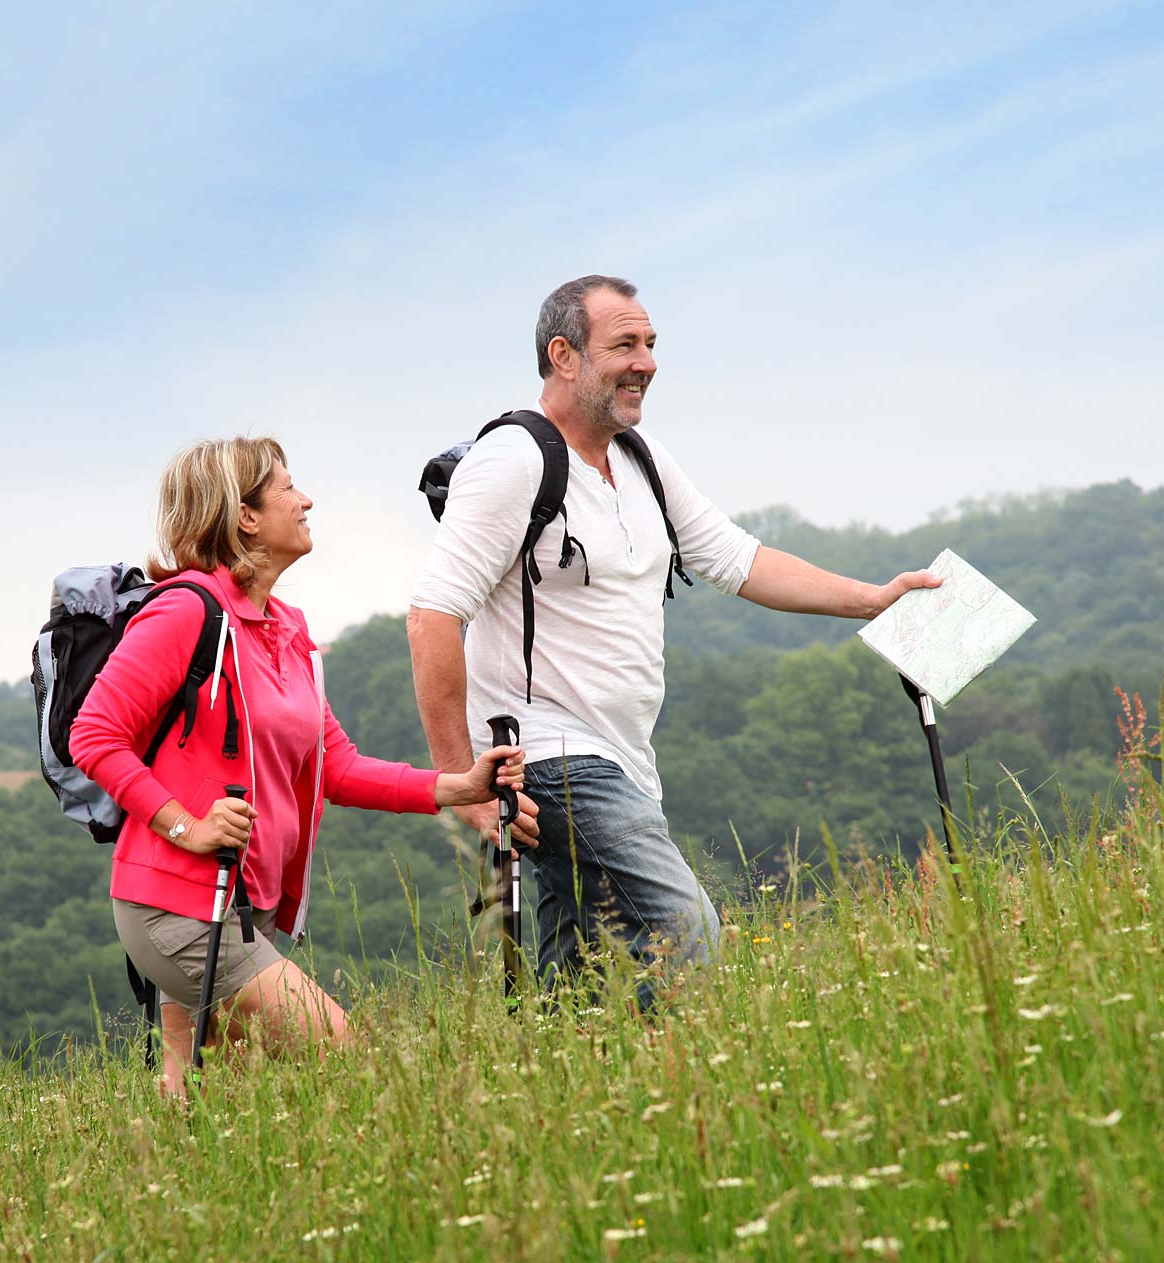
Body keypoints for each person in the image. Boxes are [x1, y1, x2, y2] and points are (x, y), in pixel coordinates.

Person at [408, 274, 940, 1003]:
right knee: (687, 933)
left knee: (583, 985)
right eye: (624, 344)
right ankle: (697, 1089)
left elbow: (739, 560)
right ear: (563, 356)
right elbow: (433, 617)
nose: (648, 362)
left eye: (651, 344)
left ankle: (578, 1098)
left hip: (627, 761)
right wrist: (459, 784)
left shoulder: (641, 458)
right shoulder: (512, 462)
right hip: (553, 757)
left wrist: (871, 599)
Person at [72, 436, 524, 1095]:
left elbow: (334, 768)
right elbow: (95, 736)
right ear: (244, 515)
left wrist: (457, 787)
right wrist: (185, 826)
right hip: (179, 902)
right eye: (287, 487)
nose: (305, 499)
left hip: (240, 901)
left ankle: (153, 1196)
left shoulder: (287, 629)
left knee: (205, 1094)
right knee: (344, 1051)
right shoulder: (185, 612)